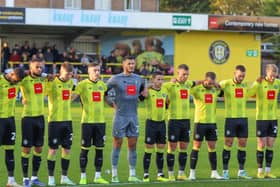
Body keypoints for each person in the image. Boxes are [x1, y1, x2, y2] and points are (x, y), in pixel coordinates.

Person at [106, 56, 147, 183]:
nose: (131, 66)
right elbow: (103, 91)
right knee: (117, 143)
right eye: (129, 63)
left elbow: (142, 94)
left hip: (133, 117)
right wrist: (111, 104)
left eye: (133, 64)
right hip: (120, 117)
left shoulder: (139, 79)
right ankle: (114, 174)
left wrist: (141, 98)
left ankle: (132, 174)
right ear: (124, 64)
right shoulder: (115, 79)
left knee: (133, 145)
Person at [74, 62, 109, 185]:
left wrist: (116, 106)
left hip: (101, 122)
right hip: (87, 122)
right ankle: (83, 176)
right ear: (89, 72)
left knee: (99, 150)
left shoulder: (103, 85)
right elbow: (73, 97)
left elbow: (106, 99)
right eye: (94, 70)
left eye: (98, 70)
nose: (97, 73)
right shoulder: (82, 85)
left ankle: (97, 176)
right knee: (85, 150)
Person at [163, 64, 197, 181]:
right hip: (174, 120)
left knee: (183, 147)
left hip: (186, 121)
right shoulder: (170, 85)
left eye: (187, 74)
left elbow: (196, 82)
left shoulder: (188, 84)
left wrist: (208, 81)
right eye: (183, 74)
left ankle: (181, 173)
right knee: (171, 147)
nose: (185, 77)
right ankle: (171, 173)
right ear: (178, 73)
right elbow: (158, 86)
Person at [188, 72, 223, 180]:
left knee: (212, 148)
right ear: (204, 80)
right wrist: (196, 82)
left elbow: (222, 93)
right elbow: (187, 87)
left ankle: (214, 172)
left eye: (212, 83)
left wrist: (219, 86)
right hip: (200, 123)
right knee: (196, 147)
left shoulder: (214, 89)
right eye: (209, 82)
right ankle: (192, 173)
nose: (210, 85)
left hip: (212, 123)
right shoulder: (197, 89)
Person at [219, 65, 252, 179]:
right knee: (228, 144)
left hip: (243, 119)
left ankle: (241, 171)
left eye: (243, 76)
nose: (241, 78)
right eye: (239, 76)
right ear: (234, 73)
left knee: (242, 144)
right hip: (231, 119)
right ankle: (225, 171)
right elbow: (217, 86)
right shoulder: (226, 83)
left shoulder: (244, 85)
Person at [46, 62, 76, 186]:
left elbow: (73, 94)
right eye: (67, 74)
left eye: (71, 74)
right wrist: (47, 81)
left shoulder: (70, 83)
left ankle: (64, 177)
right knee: (53, 150)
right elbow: (44, 93)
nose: (69, 76)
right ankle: (51, 178)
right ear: (60, 72)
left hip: (67, 121)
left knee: (67, 149)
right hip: (54, 121)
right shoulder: (53, 82)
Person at [248, 64, 280, 179]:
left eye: (274, 75)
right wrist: (254, 84)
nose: (273, 78)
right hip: (261, 119)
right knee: (261, 144)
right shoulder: (259, 83)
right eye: (271, 75)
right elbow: (249, 94)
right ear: (266, 73)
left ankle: (268, 171)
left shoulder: (277, 83)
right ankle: (260, 171)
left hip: (273, 119)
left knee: (270, 145)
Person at [19, 58, 47, 187]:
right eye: (37, 67)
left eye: (41, 67)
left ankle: (34, 177)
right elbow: (12, 78)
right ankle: (25, 179)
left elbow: (56, 78)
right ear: (30, 68)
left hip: (40, 118)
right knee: (26, 149)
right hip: (28, 118)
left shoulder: (43, 79)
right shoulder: (24, 80)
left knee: (39, 148)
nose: (39, 69)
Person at [0, 68, 25, 187]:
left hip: (11, 120)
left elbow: (33, 74)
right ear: (11, 74)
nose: (16, 83)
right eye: (15, 80)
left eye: (18, 81)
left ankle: (11, 181)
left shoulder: (18, 81)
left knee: (10, 150)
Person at [142, 71, 169, 182]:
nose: (161, 81)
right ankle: (146, 174)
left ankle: (160, 174)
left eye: (162, 79)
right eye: (158, 79)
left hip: (161, 124)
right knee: (148, 150)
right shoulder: (148, 91)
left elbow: (167, 104)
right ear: (153, 80)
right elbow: (141, 97)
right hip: (151, 124)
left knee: (160, 150)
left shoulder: (164, 91)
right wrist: (147, 87)